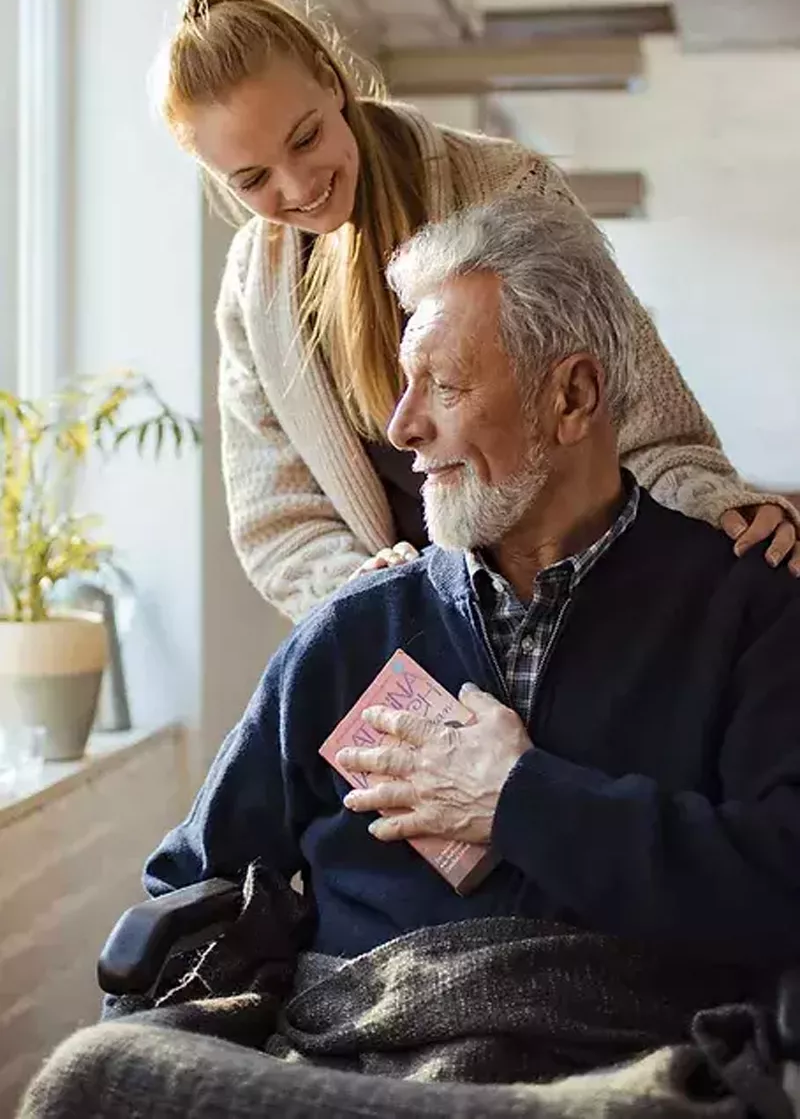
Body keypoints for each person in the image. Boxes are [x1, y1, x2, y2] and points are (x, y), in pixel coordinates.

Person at [19, 197, 800, 1119]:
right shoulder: (355, 629)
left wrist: (520, 801)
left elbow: (779, 881)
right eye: (403, 383)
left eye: (445, 386)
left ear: (574, 396)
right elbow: (191, 876)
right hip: (348, 1056)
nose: (400, 427)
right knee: (95, 1071)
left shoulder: (747, 608)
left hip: (607, 1059)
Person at [155, 0, 798, 623]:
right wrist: (360, 591)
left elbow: (639, 414)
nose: (298, 186)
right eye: (253, 179)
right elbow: (280, 520)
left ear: (330, 80)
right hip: (414, 640)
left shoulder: (508, 188)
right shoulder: (253, 290)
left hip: (581, 606)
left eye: (305, 138)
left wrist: (719, 506)